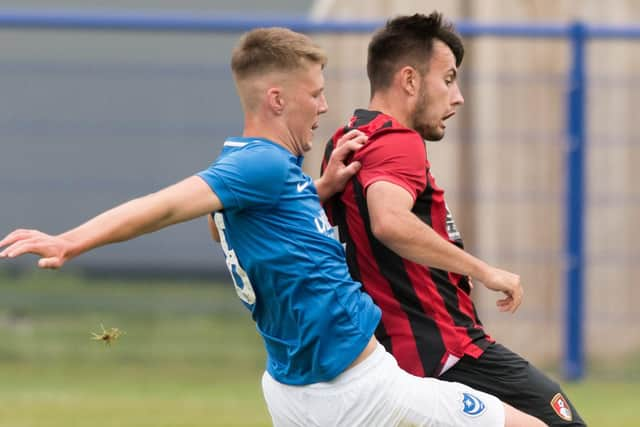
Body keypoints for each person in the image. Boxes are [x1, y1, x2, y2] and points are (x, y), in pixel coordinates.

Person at [1, 27, 546, 427]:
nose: (325, 105)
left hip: (292, 391)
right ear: (278, 99)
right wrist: (72, 239)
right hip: (360, 389)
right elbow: (163, 206)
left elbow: (229, 230)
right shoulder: (256, 166)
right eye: (315, 94)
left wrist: (321, 190)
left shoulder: (260, 172)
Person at [321, 12, 584, 427]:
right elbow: (388, 221)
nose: (457, 96)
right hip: (444, 351)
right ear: (409, 80)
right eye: (448, 79)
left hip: (385, 354)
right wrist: (485, 271)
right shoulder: (397, 141)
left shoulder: (347, 139)